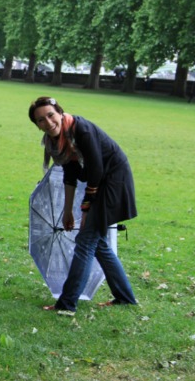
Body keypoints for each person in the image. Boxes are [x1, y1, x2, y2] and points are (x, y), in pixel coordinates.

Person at [29, 96, 137, 313]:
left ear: (60, 113)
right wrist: (67, 211)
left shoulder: (82, 130)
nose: (48, 122)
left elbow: (96, 170)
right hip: (99, 183)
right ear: (37, 125)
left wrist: (86, 208)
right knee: (97, 243)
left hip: (113, 182)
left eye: (50, 115)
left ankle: (67, 304)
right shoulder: (57, 142)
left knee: (86, 241)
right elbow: (70, 175)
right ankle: (125, 297)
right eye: (41, 120)